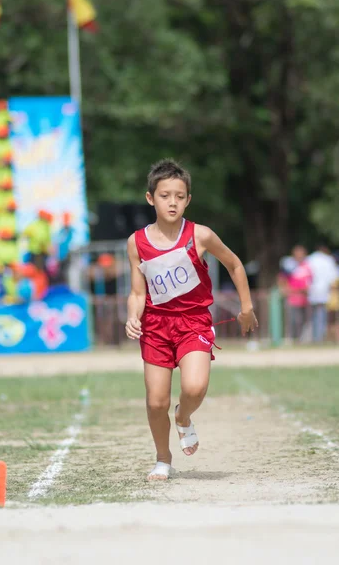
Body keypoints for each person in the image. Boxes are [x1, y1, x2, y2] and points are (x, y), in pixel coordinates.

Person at [125, 159, 258, 481]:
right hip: (156, 328)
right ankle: (163, 459)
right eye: (165, 195)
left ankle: (183, 417)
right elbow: (138, 292)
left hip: (194, 323)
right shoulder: (136, 242)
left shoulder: (200, 235)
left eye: (180, 196)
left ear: (188, 199)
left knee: (195, 387)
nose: (172, 202)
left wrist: (247, 308)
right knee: (156, 402)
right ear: (150, 198)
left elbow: (235, 264)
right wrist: (132, 315)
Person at [279, 245, 312, 341]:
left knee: (303, 321)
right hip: (292, 299)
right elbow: (282, 279)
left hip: (304, 299)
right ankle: (291, 339)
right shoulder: (289, 266)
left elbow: (310, 281)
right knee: (292, 321)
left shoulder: (307, 266)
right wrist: (286, 289)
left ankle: (301, 340)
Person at [307, 244, 339, 342]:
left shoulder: (310, 259)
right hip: (324, 291)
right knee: (321, 315)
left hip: (311, 291)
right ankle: (319, 337)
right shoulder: (329, 260)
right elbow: (333, 277)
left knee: (311, 316)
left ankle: (314, 337)